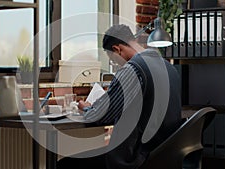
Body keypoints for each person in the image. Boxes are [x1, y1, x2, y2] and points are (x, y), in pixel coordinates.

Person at [57, 24, 183, 169]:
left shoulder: (133, 69)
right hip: (165, 154)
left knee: (65, 164)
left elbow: (100, 116)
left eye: (113, 60)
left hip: (136, 158)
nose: (116, 65)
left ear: (117, 49)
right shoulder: (169, 67)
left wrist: (87, 109)